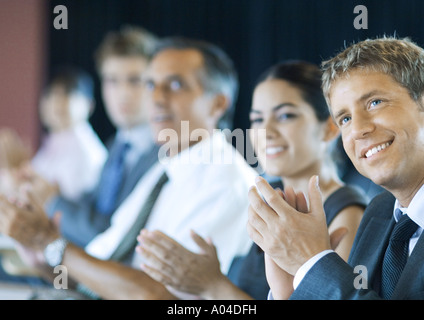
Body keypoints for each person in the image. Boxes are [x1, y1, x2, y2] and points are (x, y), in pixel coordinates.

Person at [0, 36, 256, 300]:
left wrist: (50, 243)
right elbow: (99, 270)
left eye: (176, 85)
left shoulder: (226, 183)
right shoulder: (164, 170)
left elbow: (163, 299)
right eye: (150, 84)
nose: (156, 98)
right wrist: (39, 253)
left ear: (218, 103)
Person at [135, 61, 367, 300]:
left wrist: (213, 286)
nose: (266, 132)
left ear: (329, 127)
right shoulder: (266, 198)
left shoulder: (346, 214)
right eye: (257, 119)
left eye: (285, 116)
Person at [247, 36, 424, 300]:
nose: (358, 129)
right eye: (345, 118)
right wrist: (289, 293)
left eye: (375, 102)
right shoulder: (380, 212)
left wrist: (313, 264)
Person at [41, 25, 161, 247]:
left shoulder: (165, 153)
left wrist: (52, 200)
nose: (122, 93)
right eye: (112, 81)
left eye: (135, 80)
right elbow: (93, 211)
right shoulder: (116, 146)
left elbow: (111, 236)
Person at [31, 66, 107, 201]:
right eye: (51, 94)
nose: (57, 102)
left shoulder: (87, 151)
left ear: (89, 105)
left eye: (68, 94)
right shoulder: (54, 142)